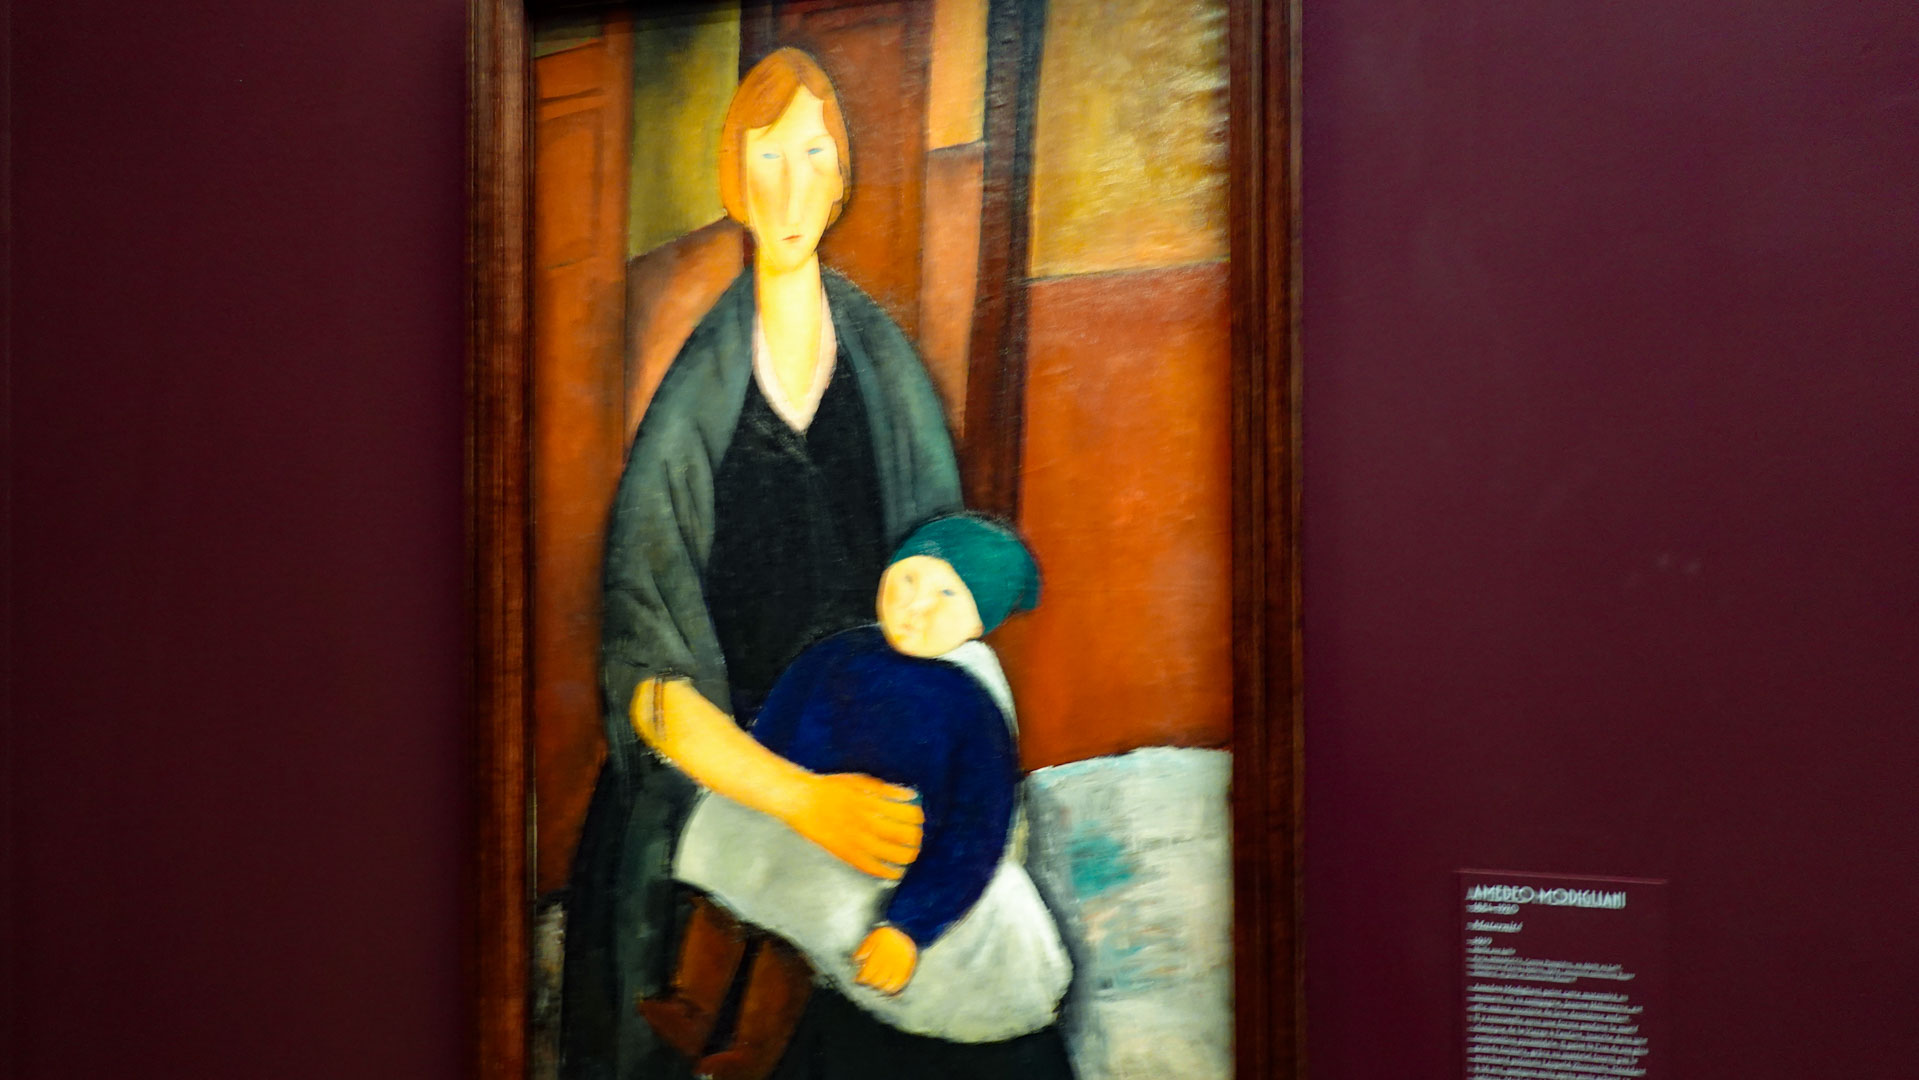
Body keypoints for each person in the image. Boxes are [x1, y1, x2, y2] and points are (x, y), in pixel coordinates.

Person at [561, 48, 963, 1080]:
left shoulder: (886, 371)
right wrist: (800, 800)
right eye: (768, 159)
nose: (790, 189)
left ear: (841, 180)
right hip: (722, 773)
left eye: (813, 156)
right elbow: (652, 689)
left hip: (873, 755)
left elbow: (947, 584)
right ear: (734, 183)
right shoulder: (692, 403)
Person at [640, 515, 1074, 1080]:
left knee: (791, 949)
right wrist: (757, 787)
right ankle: (693, 1004)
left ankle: (752, 1052)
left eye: (946, 596)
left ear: (977, 623)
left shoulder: (973, 712)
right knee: (723, 903)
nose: (915, 606)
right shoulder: (837, 654)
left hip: (876, 852)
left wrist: (907, 927)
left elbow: (974, 838)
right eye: (908, 579)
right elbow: (777, 723)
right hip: (794, 819)